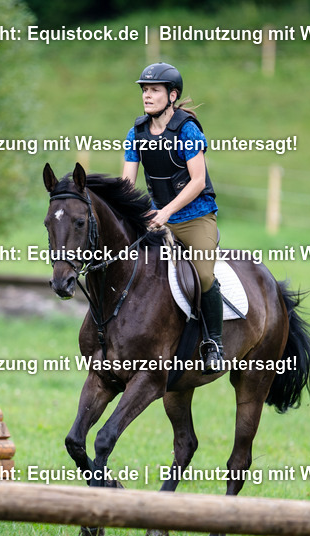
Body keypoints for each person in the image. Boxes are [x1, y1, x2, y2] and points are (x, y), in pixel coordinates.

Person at [122, 62, 225, 374]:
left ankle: (214, 343)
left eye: (154, 90)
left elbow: (196, 181)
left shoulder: (187, 130)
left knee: (204, 276)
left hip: (195, 218)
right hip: (156, 219)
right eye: (144, 90)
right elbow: (127, 182)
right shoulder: (136, 132)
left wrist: (166, 211)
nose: (147, 95)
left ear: (172, 95)